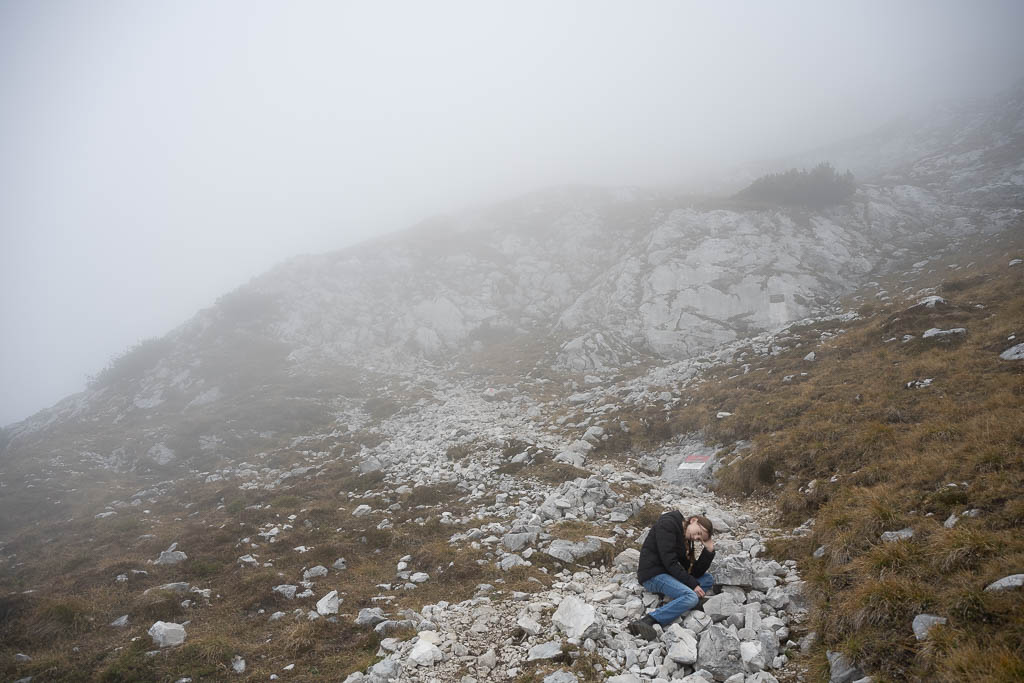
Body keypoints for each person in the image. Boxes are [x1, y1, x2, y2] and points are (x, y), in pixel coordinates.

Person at [628, 511, 715, 641]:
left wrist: (708, 551)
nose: (696, 538)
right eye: (698, 533)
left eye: (700, 539)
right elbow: (670, 562)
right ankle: (648, 620)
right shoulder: (667, 524)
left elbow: (692, 572)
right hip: (653, 575)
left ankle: (680, 601)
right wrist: (693, 585)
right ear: (693, 520)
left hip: (668, 574)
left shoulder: (685, 537)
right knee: (691, 596)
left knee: (708, 579)